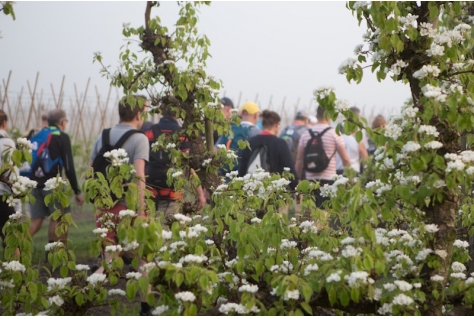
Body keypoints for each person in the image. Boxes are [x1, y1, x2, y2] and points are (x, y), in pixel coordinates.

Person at [89, 95, 151, 315]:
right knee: (144, 256)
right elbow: (139, 177)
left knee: (110, 259)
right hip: (128, 206)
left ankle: (82, 294)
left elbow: (91, 173)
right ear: (138, 114)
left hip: (104, 207)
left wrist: (99, 206)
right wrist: (141, 211)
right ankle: (147, 307)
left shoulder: (102, 136)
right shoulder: (139, 138)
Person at [28, 109, 84, 245]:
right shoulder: (61, 136)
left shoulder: (38, 134)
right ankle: (55, 253)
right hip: (53, 185)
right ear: (62, 122)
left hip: (34, 184)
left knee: (36, 220)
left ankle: (15, 248)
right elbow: (69, 166)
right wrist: (77, 191)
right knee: (59, 218)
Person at [144, 105, 206, 226]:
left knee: (150, 232)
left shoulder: (149, 132)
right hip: (173, 194)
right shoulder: (181, 134)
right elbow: (188, 167)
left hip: (150, 192)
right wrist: (200, 194)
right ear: (178, 113)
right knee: (168, 235)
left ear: (161, 111)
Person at [295, 106, 351, 209]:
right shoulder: (334, 134)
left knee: (309, 213)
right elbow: (345, 159)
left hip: (309, 180)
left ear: (317, 115)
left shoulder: (306, 134)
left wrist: (297, 179)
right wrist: (349, 177)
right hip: (328, 179)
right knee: (324, 212)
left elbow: (299, 159)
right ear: (329, 116)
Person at [238, 110, 298, 190]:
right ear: (277, 125)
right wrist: (295, 187)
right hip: (273, 191)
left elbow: (242, 169)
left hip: (252, 190)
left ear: (262, 125)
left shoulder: (250, 142)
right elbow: (289, 169)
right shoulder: (280, 143)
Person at [215, 101, 261, 175]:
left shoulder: (229, 128)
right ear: (255, 116)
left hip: (225, 173)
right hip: (243, 176)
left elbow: (215, 150)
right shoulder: (257, 132)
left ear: (241, 114)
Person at [0, 110, 19, 246]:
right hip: (3, 196)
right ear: (4, 124)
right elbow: (13, 175)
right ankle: (13, 267)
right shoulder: (7, 142)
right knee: (11, 241)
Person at [335, 107, 368, 175]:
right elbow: (364, 156)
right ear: (357, 118)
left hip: (338, 172)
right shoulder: (359, 136)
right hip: (353, 173)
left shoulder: (338, 131)